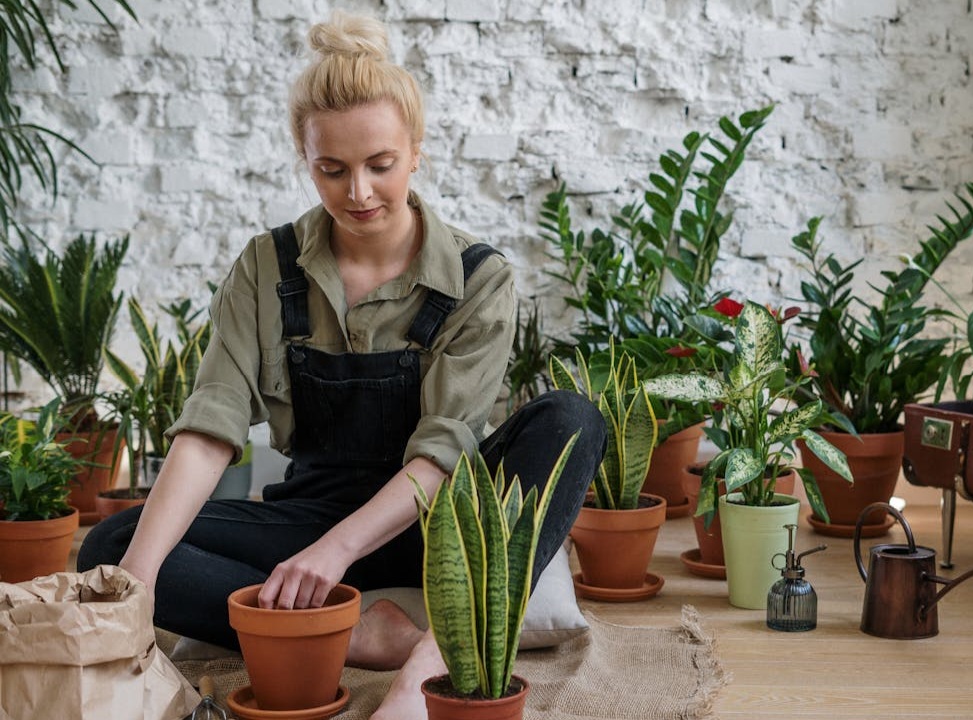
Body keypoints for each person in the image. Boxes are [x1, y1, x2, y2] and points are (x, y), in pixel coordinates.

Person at [77, 11, 604, 719]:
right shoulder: (267, 267)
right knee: (113, 546)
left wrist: (333, 554)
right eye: (332, 169)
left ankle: (432, 661)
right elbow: (210, 430)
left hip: (439, 521)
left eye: (380, 165)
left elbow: (446, 453)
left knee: (572, 419)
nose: (358, 192)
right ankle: (359, 635)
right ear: (305, 156)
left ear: (415, 151)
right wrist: (130, 600)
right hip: (312, 510)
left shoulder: (478, 278)